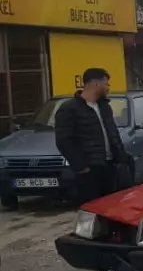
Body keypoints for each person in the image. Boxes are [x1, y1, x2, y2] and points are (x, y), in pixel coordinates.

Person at [54, 68, 126, 205]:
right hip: (89, 171)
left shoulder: (105, 106)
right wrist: (81, 166)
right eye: (106, 84)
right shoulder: (69, 109)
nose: (108, 88)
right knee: (93, 209)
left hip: (109, 166)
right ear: (95, 83)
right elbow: (64, 141)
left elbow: (113, 133)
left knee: (112, 208)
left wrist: (120, 155)